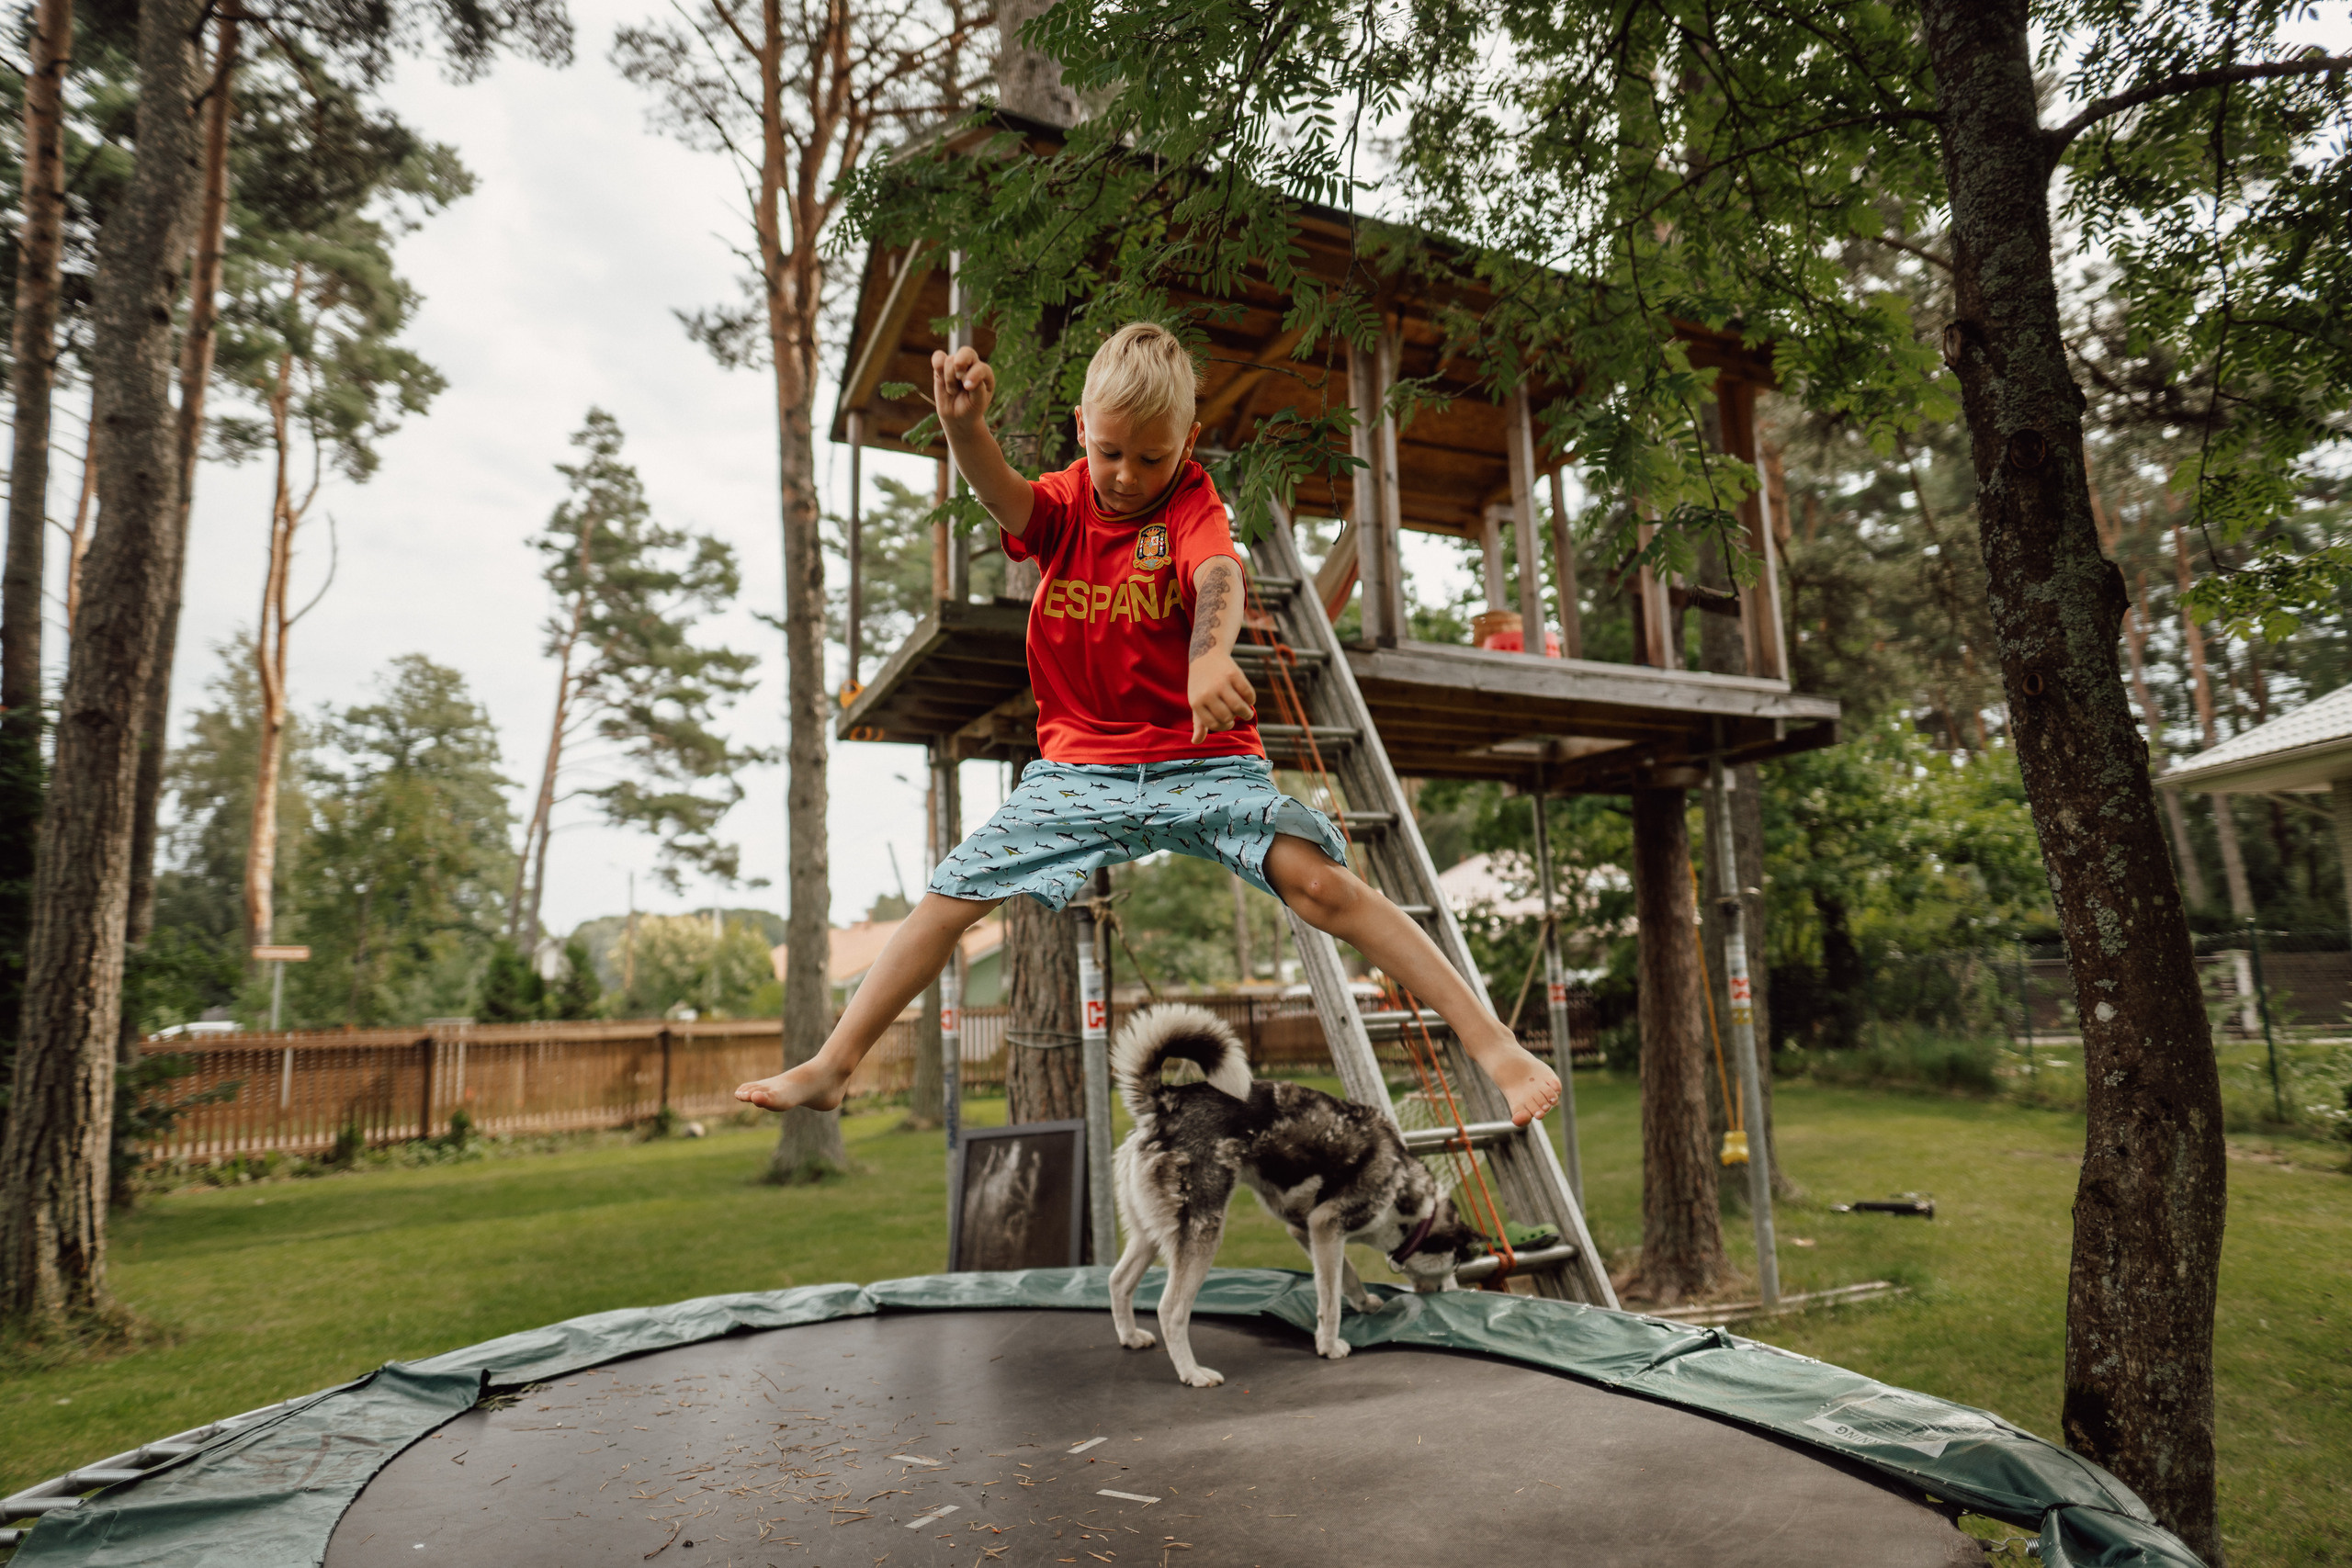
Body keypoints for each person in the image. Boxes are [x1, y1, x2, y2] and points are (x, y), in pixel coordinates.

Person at [736, 323, 1561, 1126]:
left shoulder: (1193, 503)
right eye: (1110, 451)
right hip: (1077, 773)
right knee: (950, 896)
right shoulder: (1064, 505)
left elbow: (1219, 577)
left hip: (1200, 762)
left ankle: (1495, 1046)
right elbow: (1003, 493)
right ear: (1082, 432)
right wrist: (965, 431)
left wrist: (1209, 658)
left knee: (1323, 884)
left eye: (1153, 457)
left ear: (1188, 442)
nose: (1128, 476)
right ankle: (834, 1064)